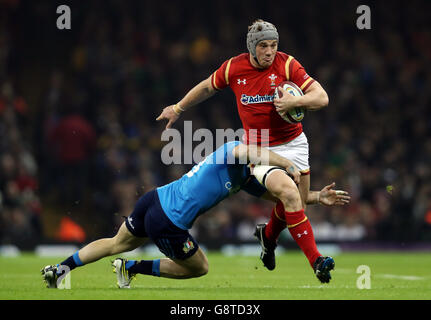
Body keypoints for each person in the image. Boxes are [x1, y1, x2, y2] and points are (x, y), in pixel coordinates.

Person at [156, 19, 346, 271]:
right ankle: (318, 261)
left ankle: (267, 237)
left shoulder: (287, 64)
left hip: (295, 143)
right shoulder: (234, 68)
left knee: (295, 204)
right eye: (264, 46)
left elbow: (322, 97)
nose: (269, 51)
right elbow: (206, 87)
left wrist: (293, 103)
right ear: (252, 47)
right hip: (260, 149)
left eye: (274, 45)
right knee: (289, 194)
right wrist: (178, 108)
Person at [41, 141, 348, 289]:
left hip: (155, 199)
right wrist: (288, 163)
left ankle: (60, 269)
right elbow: (248, 152)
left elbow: (284, 197)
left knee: (114, 242)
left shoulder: (245, 179)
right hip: (169, 220)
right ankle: (132, 268)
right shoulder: (234, 151)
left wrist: (318, 196)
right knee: (199, 268)